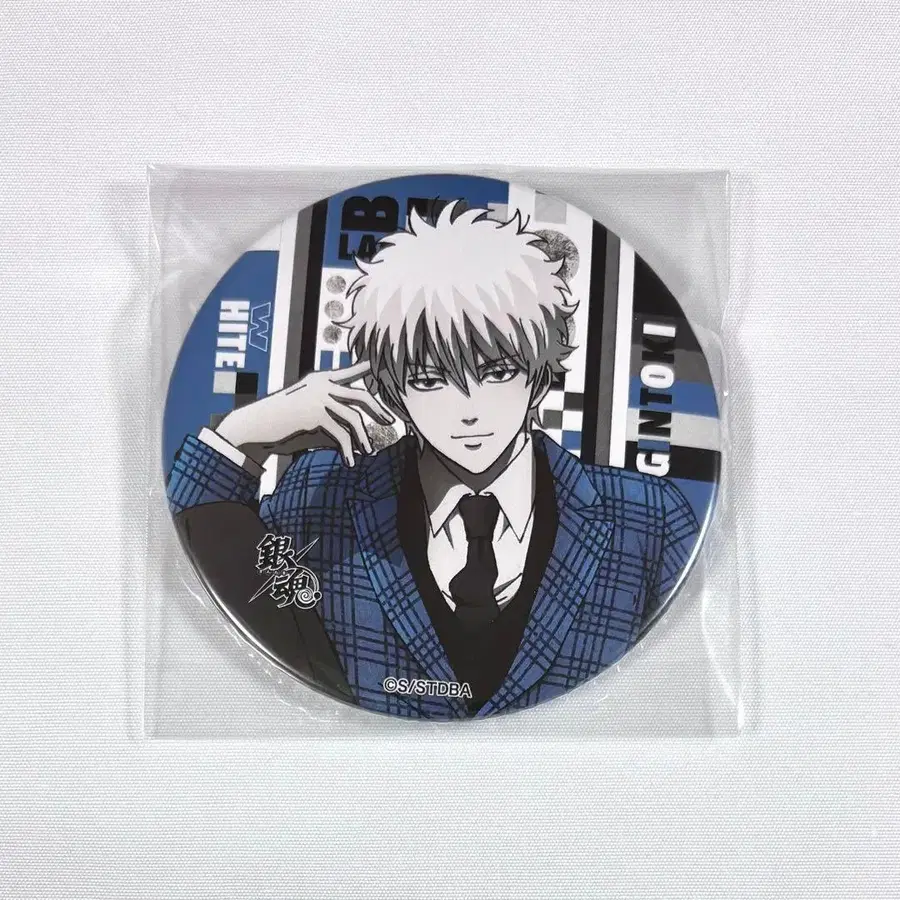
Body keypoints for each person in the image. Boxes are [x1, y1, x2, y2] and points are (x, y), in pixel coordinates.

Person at [167, 203, 699, 718]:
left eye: (497, 373)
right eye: (428, 380)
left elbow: (679, 668)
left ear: (540, 375)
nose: (468, 410)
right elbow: (220, 581)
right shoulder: (324, 491)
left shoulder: (647, 516)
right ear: (392, 391)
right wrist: (242, 437)